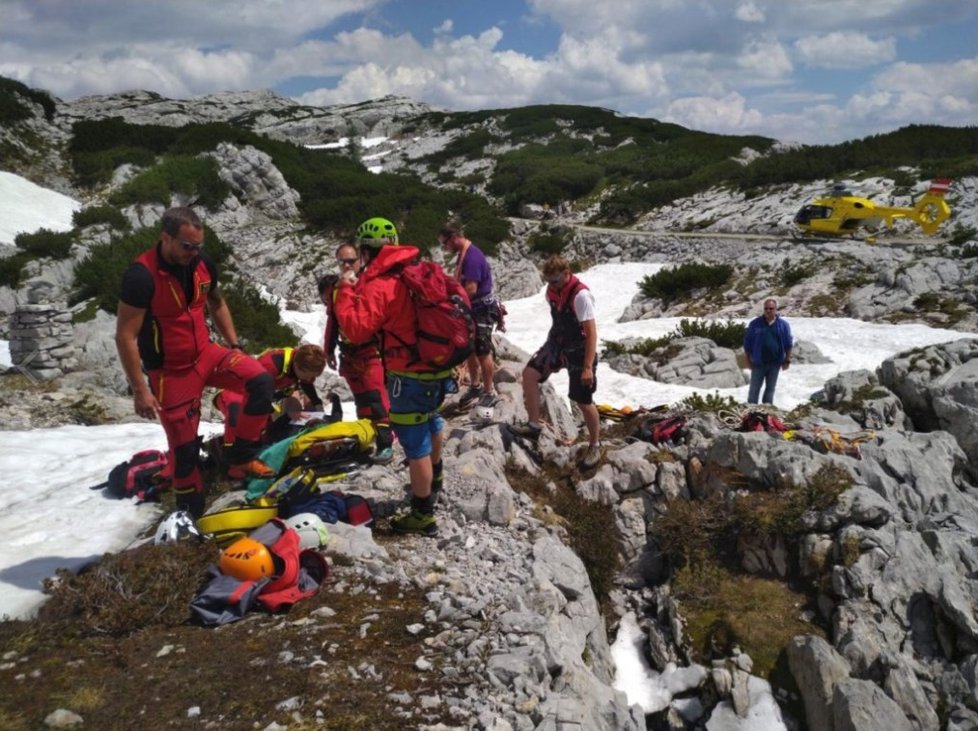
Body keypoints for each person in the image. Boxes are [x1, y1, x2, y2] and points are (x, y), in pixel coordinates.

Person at [115, 207, 276, 517]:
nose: (194, 252)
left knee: (261, 381)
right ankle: (190, 518)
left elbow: (217, 303)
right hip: (170, 372)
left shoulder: (202, 264)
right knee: (185, 454)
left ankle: (240, 456)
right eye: (187, 246)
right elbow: (125, 336)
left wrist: (234, 344)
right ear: (166, 238)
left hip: (207, 354)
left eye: (198, 246)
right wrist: (140, 390)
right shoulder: (142, 275)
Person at [333, 217, 454, 536]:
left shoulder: (382, 283)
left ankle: (422, 513)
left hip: (408, 373)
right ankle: (436, 478)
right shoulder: (417, 270)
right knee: (432, 420)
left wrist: (345, 290)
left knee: (416, 447)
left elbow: (356, 330)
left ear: (367, 251)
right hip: (439, 365)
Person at [511, 256, 602, 469]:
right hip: (558, 343)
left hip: (580, 350)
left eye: (555, 281)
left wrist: (588, 367)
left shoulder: (581, 296)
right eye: (548, 281)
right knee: (530, 374)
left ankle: (595, 444)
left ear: (567, 273)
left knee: (583, 400)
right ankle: (533, 426)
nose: (551, 285)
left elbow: (590, 333)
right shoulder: (552, 292)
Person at [320, 243, 394, 463]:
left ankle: (385, 443)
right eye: (342, 261)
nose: (346, 265)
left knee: (376, 397)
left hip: (371, 350)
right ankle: (366, 439)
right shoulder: (336, 290)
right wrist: (328, 350)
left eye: (351, 260)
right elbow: (333, 322)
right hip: (349, 353)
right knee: (361, 399)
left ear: (360, 260)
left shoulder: (369, 283)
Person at [213, 343, 326, 447]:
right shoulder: (271, 365)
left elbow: (306, 384)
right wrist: (287, 415)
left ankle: (222, 448)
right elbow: (256, 394)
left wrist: (317, 403)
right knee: (240, 426)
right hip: (235, 393)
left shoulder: (298, 363)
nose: (311, 380)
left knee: (267, 436)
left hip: (259, 397)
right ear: (297, 366)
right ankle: (228, 456)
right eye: (310, 376)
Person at [438, 222, 499, 408]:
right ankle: (475, 385)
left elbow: (471, 289)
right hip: (472, 309)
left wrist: (453, 303)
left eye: (445, 243)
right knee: (470, 349)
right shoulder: (463, 255)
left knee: (482, 350)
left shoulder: (472, 257)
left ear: (454, 237)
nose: (445, 247)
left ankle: (489, 392)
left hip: (481, 309)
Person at [743, 298, 793, 405]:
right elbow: (747, 344)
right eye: (766, 308)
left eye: (771, 308)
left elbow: (788, 344)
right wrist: (747, 360)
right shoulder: (755, 324)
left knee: (770, 389)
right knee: (754, 388)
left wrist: (787, 360)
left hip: (775, 363)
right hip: (758, 363)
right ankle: (751, 410)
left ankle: (767, 410)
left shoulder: (783, 325)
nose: (768, 310)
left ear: (776, 309)